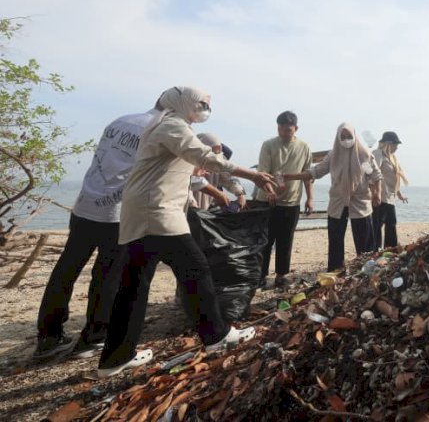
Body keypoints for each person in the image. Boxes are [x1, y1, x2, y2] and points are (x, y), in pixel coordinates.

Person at [96, 86, 276, 378]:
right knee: (196, 269)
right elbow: (206, 158)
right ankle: (217, 335)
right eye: (201, 103)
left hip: (143, 212)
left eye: (207, 104)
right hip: (157, 212)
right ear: (182, 103)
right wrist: (252, 174)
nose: (205, 108)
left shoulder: (167, 126)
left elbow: (186, 168)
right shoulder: (172, 126)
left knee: (133, 286)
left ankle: (115, 358)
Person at [33, 100, 162, 362]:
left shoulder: (120, 121)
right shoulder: (159, 130)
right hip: (116, 213)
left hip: (84, 206)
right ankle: (93, 337)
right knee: (108, 275)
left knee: (66, 269)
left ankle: (48, 335)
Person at [285, 122, 382, 272]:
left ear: (354, 136)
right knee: (335, 239)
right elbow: (316, 171)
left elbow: (374, 175)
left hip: (360, 202)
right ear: (337, 138)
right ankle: (336, 270)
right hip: (337, 202)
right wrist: (290, 176)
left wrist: (377, 192)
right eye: (342, 137)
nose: (346, 140)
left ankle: (365, 269)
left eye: (349, 136)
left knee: (364, 241)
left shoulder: (362, 155)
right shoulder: (334, 155)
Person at [254, 111, 314, 288]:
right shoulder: (269, 145)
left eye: (287, 129)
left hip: (291, 202)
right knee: (265, 241)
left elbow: (308, 175)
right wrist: (270, 190)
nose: (283, 132)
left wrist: (310, 198)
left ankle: (281, 275)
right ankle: (261, 276)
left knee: (285, 241)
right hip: (267, 200)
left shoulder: (304, 147)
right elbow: (264, 172)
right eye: (280, 128)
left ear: (296, 128)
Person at [191, 133, 247, 211]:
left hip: (204, 210)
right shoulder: (188, 161)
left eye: (218, 153)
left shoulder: (218, 161)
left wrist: (240, 194)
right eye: (211, 153)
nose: (215, 156)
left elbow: (228, 178)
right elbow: (189, 183)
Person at [371, 131, 409, 249]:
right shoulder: (378, 154)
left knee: (391, 225)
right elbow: (371, 173)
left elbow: (392, 180)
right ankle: (374, 251)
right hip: (380, 197)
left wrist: (399, 194)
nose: (397, 147)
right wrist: (374, 193)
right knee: (377, 226)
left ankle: (390, 251)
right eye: (395, 144)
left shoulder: (392, 158)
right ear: (388, 143)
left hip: (389, 198)